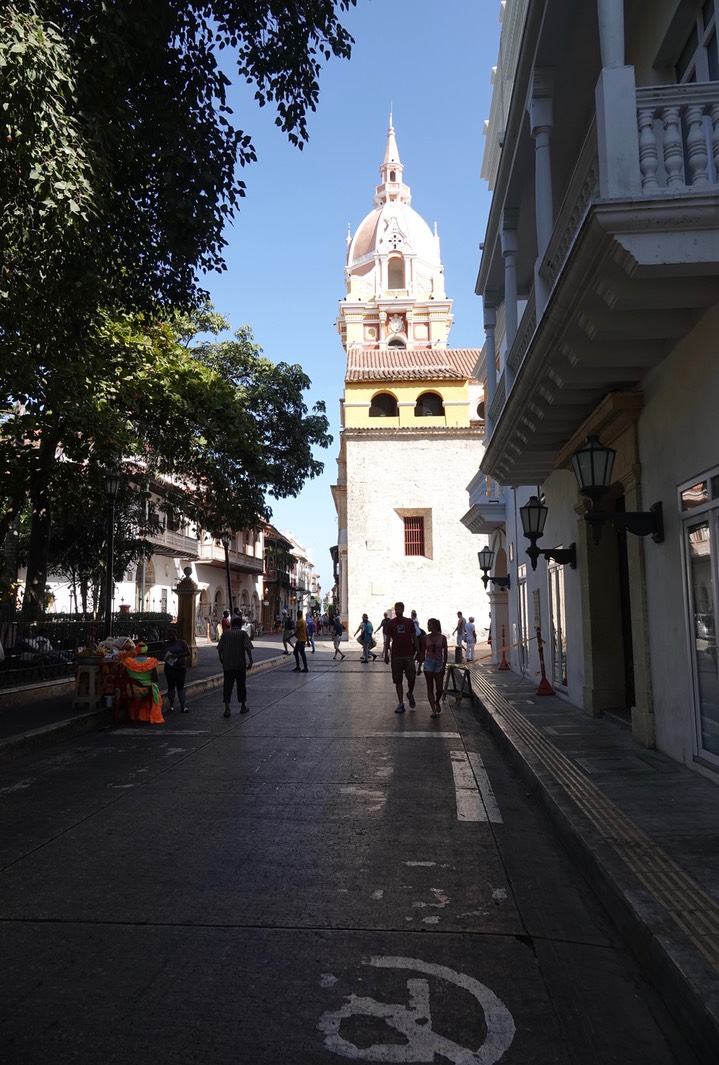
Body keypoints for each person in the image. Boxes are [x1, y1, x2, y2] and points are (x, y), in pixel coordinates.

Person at [384, 601, 419, 714]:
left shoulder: (409, 622)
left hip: (408, 655)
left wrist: (419, 652)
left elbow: (414, 637)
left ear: (403, 609)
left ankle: (410, 693)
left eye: (399, 609)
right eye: (396, 609)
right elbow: (387, 639)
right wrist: (386, 654)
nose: (398, 611)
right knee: (398, 680)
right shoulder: (391, 623)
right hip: (396, 656)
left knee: (412, 677)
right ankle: (401, 703)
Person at [217, 615, 253, 717]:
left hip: (227, 664)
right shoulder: (242, 634)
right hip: (240, 664)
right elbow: (248, 648)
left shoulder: (226, 634)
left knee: (227, 686)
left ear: (232, 624)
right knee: (241, 685)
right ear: (240, 625)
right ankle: (243, 706)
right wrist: (250, 661)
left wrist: (221, 659)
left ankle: (227, 708)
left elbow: (219, 649)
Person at [422, 618, 448, 718]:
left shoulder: (443, 638)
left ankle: (437, 701)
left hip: (438, 663)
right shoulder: (425, 638)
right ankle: (433, 710)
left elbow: (445, 653)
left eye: (429, 625)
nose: (428, 626)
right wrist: (420, 665)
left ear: (435, 626)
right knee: (430, 687)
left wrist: (444, 665)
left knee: (439, 688)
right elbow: (422, 651)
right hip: (428, 662)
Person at [162, 626, 191, 713]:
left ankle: (183, 705)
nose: (170, 638)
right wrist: (167, 657)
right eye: (168, 636)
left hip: (180, 668)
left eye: (171, 636)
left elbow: (188, 652)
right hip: (169, 669)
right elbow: (161, 656)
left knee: (180, 687)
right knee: (171, 687)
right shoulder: (165, 645)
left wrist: (177, 656)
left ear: (175, 635)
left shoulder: (182, 642)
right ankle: (171, 705)